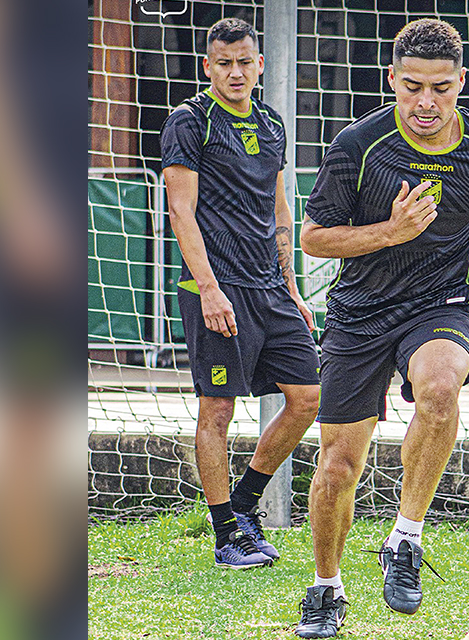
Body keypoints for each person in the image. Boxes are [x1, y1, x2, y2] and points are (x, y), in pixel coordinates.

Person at [293, 18, 469, 638]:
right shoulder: (359, 146)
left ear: (461, 81)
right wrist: (392, 231)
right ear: (392, 80)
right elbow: (313, 237)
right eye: (412, 87)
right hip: (359, 312)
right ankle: (326, 589)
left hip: (442, 303)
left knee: (439, 390)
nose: (426, 101)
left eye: (440, 87)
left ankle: (404, 538)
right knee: (336, 468)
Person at [160, 18, 320, 570]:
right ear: (209, 66)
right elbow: (180, 210)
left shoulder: (272, 122)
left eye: (244, 62)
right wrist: (209, 288)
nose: (235, 72)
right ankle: (226, 533)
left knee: (307, 397)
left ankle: (246, 506)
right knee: (218, 408)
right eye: (224, 63)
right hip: (215, 289)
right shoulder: (190, 122)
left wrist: (293, 284)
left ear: (258, 66)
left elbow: (280, 211)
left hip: (270, 289)